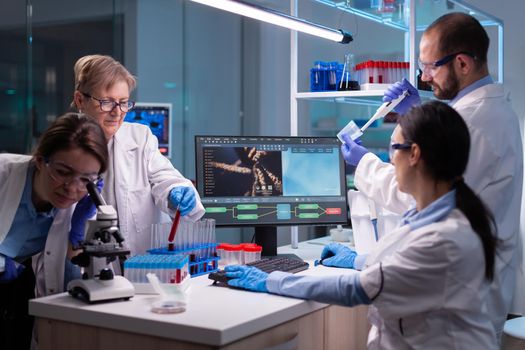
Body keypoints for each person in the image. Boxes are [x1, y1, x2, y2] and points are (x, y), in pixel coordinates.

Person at [225, 101, 498, 349]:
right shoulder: (445, 213)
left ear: (414, 154)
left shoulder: (444, 236)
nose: (390, 160)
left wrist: (273, 280)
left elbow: (357, 289)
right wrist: (359, 260)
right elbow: (407, 268)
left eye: (395, 148)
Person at [340, 12, 523, 339]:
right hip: (472, 280)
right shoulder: (485, 111)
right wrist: (414, 117)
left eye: (430, 67)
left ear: (463, 64)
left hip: (462, 294)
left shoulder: (474, 121)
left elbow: (414, 194)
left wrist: (364, 164)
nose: (423, 79)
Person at [70, 54, 205, 257]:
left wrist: (176, 189)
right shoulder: (63, 147)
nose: (117, 112)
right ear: (80, 99)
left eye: (123, 102)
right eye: (106, 102)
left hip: (141, 268)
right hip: (83, 268)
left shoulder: (140, 138)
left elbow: (164, 178)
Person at [0, 113, 108, 350]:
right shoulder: (3, 174)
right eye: (62, 172)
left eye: (86, 179)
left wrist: (80, 227)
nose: (72, 188)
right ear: (40, 160)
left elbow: (69, 266)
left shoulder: (79, 204)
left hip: (16, 287)